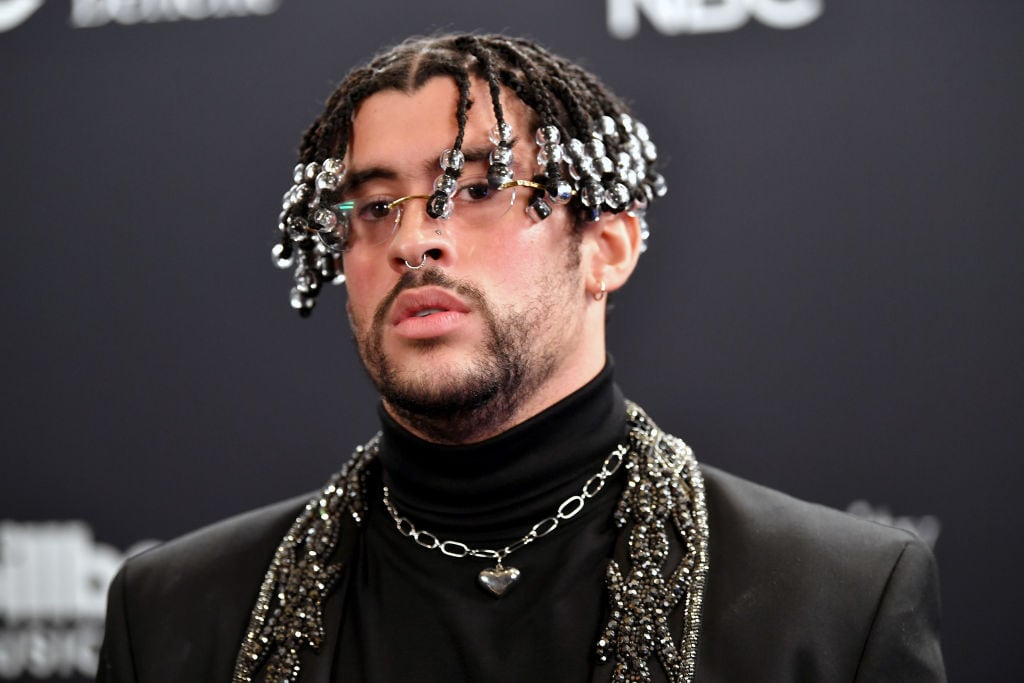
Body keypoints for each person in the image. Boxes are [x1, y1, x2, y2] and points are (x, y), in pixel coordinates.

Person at [97, 33, 945, 682]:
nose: (414, 239)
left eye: (475, 188)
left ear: (607, 248)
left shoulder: (837, 605)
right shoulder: (175, 615)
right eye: (375, 205)